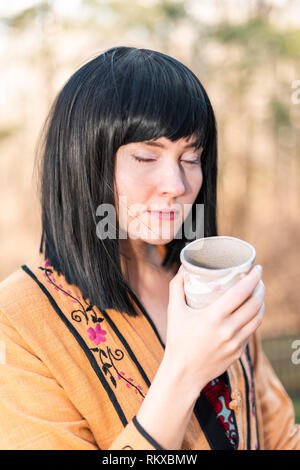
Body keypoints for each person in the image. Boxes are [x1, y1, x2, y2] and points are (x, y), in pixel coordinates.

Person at [0, 46, 299, 451]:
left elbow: (278, 434)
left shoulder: (212, 282)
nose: (176, 185)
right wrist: (185, 372)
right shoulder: (18, 320)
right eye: (146, 156)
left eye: (191, 158)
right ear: (82, 162)